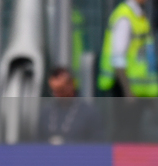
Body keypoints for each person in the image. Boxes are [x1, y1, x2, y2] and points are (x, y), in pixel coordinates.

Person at [98, 0, 158, 141]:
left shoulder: (139, 14)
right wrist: (127, 92)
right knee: (126, 133)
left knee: (135, 133)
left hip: (139, 89)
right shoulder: (125, 16)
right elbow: (118, 58)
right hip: (126, 88)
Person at [38, 67, 104, 144]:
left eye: (61, 90)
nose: (57, 95)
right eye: (54, 91)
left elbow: (98, 144)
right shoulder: (46, 113)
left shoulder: (89, 113)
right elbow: (38, 144)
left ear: (72, 84)